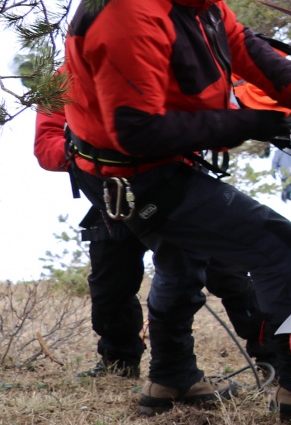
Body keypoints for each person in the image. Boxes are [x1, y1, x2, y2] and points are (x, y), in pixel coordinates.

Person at [60, 0, 291, 417]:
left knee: (183, 259)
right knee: (276, 243)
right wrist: (255, 124)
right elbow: (138, 132)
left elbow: (238, 42)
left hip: (153, 162)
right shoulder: (129, 10)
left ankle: (170, 378)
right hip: (133, 170)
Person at [34, 105, 270, 379]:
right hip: (112, 197)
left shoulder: (172, 63)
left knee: (227, 274)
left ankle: (275, 356)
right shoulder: (62, 83)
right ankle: (119, 362)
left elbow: (216, 115)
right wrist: (95, 153)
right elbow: (46, 148)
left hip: (178, 189)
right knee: (110, 287)